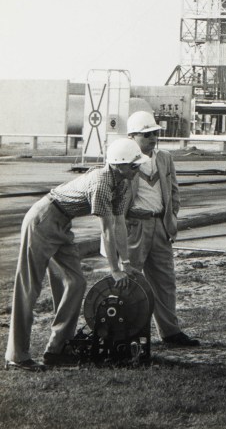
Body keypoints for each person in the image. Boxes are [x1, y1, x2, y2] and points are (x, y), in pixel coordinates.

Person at [4, 138, 146, 372]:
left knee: (76, 282)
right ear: (118, 164)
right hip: (42, 219)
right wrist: (114, 269)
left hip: (62, 223)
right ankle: (17, 356)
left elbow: (119, 223)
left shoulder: (121, 183)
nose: (137, 169)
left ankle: (57, 349)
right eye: (134, 165)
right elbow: (106, 230)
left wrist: (126, 262)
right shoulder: (101, 183)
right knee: (29, 287)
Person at [124, 110, 199, 348]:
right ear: (132, 136)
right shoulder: (123, 158)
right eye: (146, 135)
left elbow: (174, 191)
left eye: (155, 133)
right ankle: (128, 333)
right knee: (130, 280)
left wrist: (171, 218)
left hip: (160, 225)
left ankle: (170, 332)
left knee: (165, 281)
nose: (153, 138)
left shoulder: (164, 158)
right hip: (135, 226)